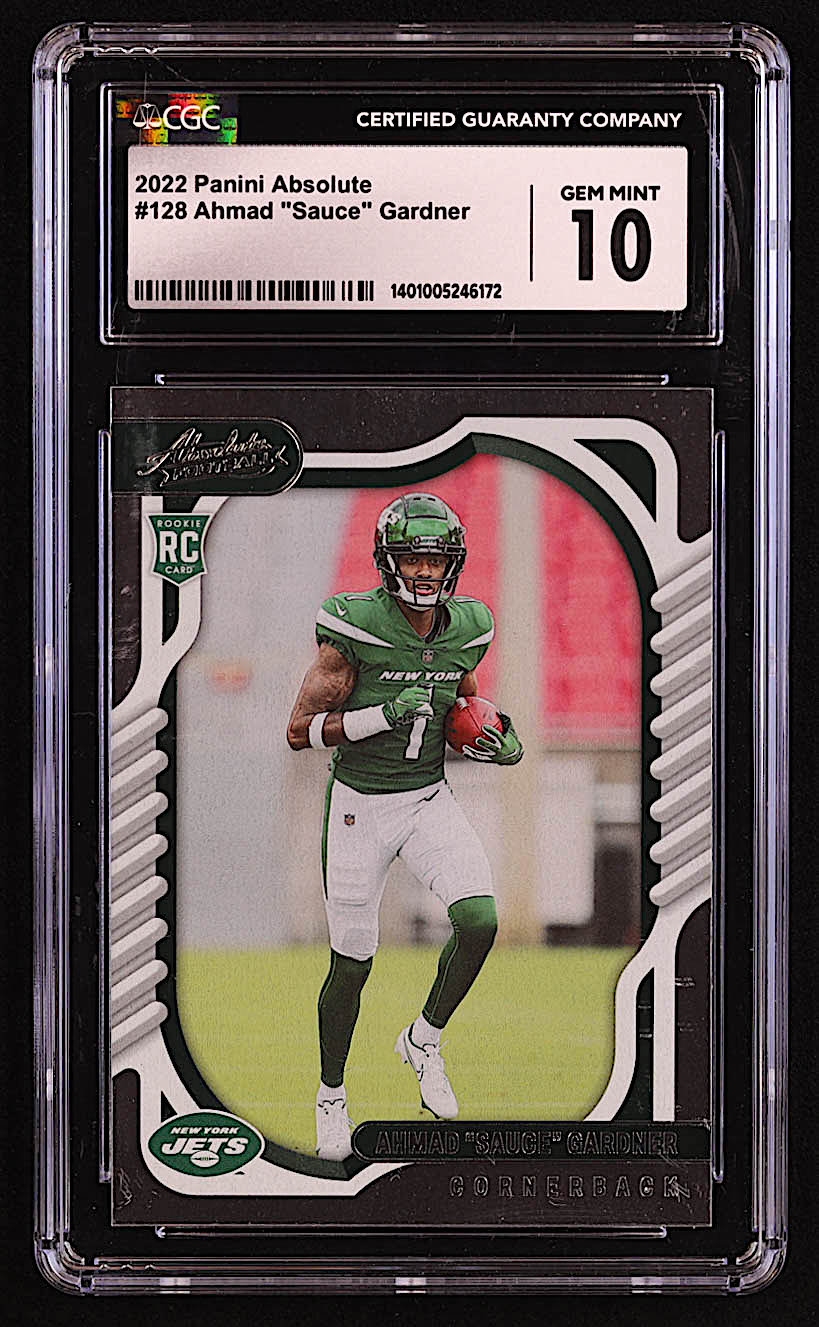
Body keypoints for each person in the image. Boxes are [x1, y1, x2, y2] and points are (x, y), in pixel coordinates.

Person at [287, 492, 523, 1160]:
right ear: (388, 560)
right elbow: (299, 732)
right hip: (358, 804)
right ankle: (331, 1095)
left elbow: (463, 699)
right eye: (413, 558)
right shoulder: (353, 624)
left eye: (435, 559)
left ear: (453, 563)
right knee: (353, 960)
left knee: (479, 919)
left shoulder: (469, 626)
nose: (424, 571)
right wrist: (383, 715)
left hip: (426, 797)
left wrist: (498, 735)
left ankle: (424, 1038)